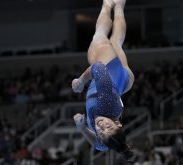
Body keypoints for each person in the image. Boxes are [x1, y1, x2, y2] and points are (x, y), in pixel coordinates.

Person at [71, 0, 135, 162]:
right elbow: (97, 67)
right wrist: (81, 81)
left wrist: (82, 129)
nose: (100, 126)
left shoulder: (108, 141)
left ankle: (119, 6)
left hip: (122, 83)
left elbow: (99, 145)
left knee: (116, 43)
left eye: (100, 131)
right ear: (118, 124)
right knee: (99, 36)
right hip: (111, 70)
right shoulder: (106, 104)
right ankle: (108, 4)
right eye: (107, 126)